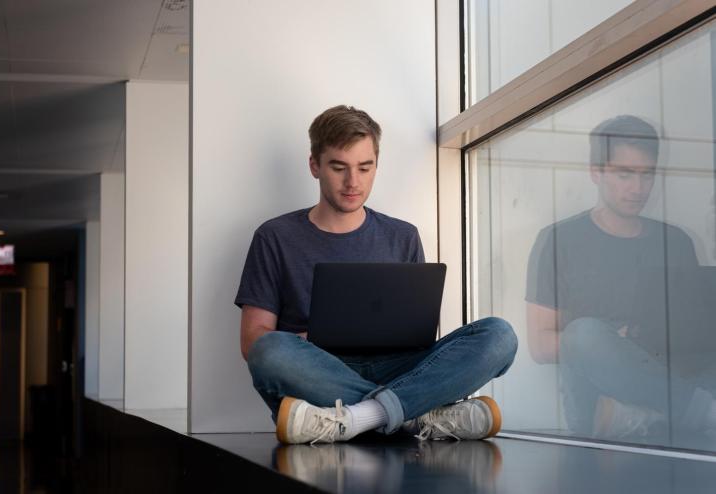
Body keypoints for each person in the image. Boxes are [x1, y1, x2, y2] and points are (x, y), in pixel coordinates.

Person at [235, 105, 518, 445]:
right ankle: (414, 415)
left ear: (375, 167)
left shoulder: (403, 236)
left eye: (364, 168)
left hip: (399, 368)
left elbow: (419, 333)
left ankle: (356, 418)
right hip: (321, 372)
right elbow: (253, 341)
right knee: (270, 351)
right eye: (339, 168)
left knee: (499, 335)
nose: (353, 182)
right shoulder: (275, 236)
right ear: (315, 166)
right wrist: (305, 341)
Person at [526, 115, 716, 442]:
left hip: (671, 373)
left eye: (647, 175)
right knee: (583, 334)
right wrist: (619, 343)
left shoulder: (677, 241)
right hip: (597, 393)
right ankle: (698, 413)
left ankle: (653, 416)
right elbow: (541, 345)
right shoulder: (559, 240)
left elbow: (696, 331)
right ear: (596, 172)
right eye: (624, 174)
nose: (637, 188)